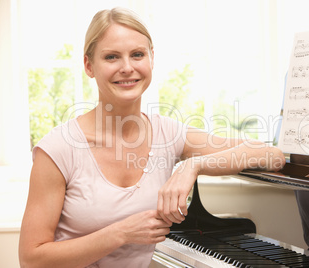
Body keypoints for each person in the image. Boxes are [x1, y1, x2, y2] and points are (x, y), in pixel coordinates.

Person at [18, 7, 286, 268]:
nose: (127, 67)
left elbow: (269, 154)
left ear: (151, 59)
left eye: (137, 54)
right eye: (111, 57)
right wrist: (120, 233)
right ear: (89, 65)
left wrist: (192, 165)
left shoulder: (167, 134)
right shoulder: (57, 149)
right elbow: (31, 259)